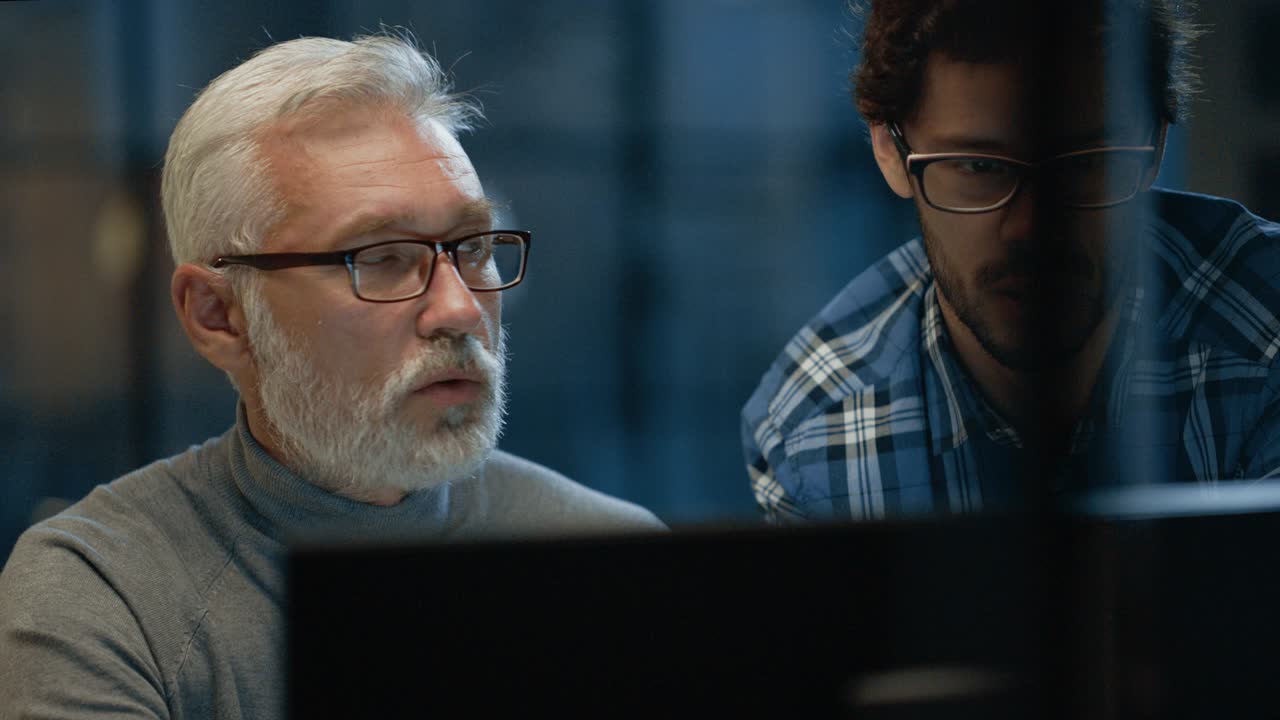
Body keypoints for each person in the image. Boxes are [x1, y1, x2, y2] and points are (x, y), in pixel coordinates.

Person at [0, 33, 663, 717]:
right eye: (380, 258)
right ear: (219, 316)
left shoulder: (615, 560)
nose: (461, 309)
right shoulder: (105, 593)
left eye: (471, 248)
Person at [742, 0, 1280, 524]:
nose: (1030, 226)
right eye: (979, 166)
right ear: (889, 148)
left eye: (1087, 164)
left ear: (1156, 144)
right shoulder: (813, 436)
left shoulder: (1267, 335)